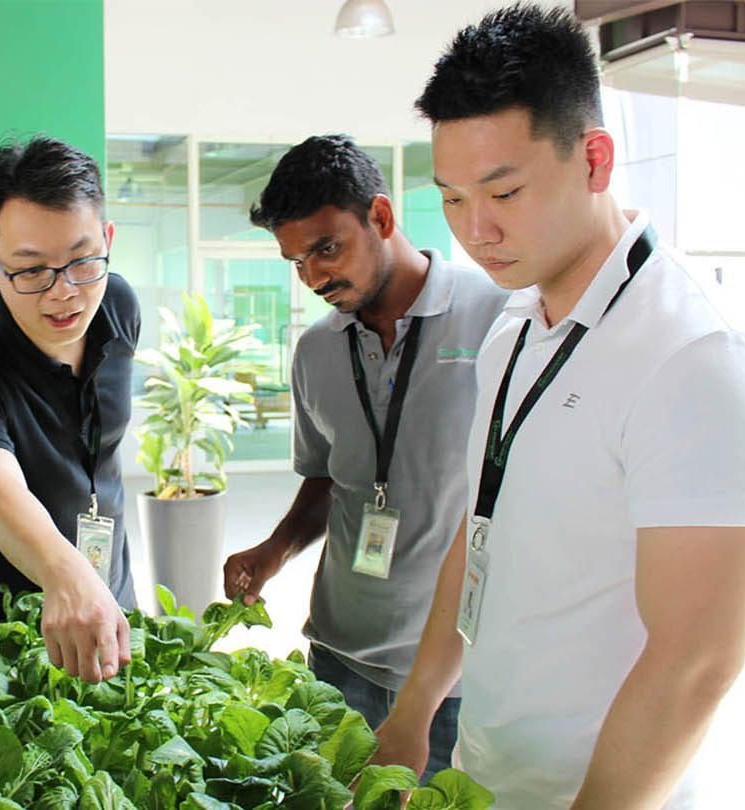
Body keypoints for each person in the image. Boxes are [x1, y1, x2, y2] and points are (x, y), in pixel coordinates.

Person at [373, 6, 745, 808]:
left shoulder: (693, 356)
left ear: (595, 158)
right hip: (486, 773)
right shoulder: (514, 327)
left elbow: (697, 661)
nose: (476, 230)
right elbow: (484, 519)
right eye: (453, 198)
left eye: (506, 190)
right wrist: (418, 704)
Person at [221, 134, 507, 780]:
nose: (314, 277)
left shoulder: (496, 319)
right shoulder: (315, 353)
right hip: (337, 661)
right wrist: (275, 549)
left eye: (327, 248)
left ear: (381, 217)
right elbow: (328, 477)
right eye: (296, 262)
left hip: (452, 684)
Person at [0, 136, 137, 684]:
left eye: (83, 261)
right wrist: (65, 575)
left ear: (107, 240)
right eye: (33, 270)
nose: (64, 292)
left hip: (107, 595)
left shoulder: (117, 305)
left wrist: (93, 587)